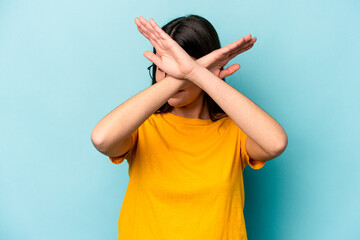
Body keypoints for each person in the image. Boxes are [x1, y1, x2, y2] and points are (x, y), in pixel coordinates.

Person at [91, 14, 287, 240]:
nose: (170, 74)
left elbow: (276, 143)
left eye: (181, 65)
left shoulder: (235, 131)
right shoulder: (141, 125)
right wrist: (189, 72)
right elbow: (102, 139)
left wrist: (195, 72)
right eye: (163, 65)